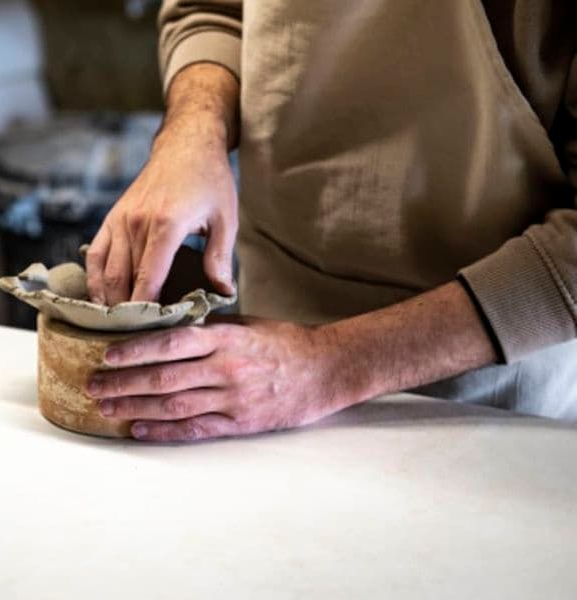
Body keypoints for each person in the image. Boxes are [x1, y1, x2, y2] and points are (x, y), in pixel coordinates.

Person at [83, 1, 577, 442]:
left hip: (482, 396)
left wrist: (328, 365)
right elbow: (214, 9)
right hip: (254, 346)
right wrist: (192, 134)